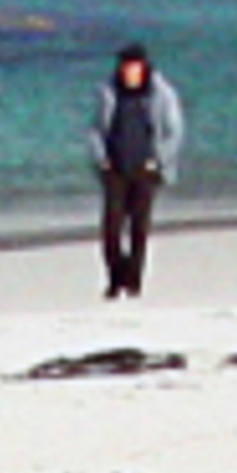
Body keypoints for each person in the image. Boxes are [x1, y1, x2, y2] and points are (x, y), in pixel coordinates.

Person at [93, 41, 183, 296]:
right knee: (111, 230)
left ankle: (134, 281)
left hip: (146, 168)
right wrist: (101, 159)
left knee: (139, 229)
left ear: (143, 67)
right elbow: (96, 128)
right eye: (125, 67)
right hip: (115, 168)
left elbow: (173, 131)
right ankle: (116, 277)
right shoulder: (108, 92)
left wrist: (159, 161)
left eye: (134, 67)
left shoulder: (161, 94)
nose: (129, 72)